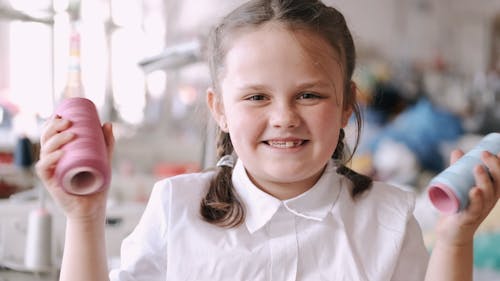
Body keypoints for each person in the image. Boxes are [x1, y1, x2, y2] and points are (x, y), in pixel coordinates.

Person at [36, 0, 500, 280]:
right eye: (257, 96)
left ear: (345, 106)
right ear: (219, 108)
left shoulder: (389, 217)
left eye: (309, 95)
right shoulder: (175, 206)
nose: (284, 117)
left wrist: (455, 239)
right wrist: (85, 217)